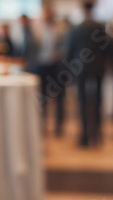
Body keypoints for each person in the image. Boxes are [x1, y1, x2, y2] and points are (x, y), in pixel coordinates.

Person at [65, 1, 108, 147]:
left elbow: (70, 50)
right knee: (97, 102)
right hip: (98, 69)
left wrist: (68, 67)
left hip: (81, 68)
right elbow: (106, 48)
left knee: (82, 102)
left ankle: (84, 135)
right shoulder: (100, 26)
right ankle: (97, 134)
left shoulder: (77, 28)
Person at [35, 8, 67, 137]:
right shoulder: (38, 31)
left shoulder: (60, 29)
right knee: (43, 97)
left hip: (57, 67)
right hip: (43, 66)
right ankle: (42, 125)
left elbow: (64, 48)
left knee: (60, 98)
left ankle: (59, 126)